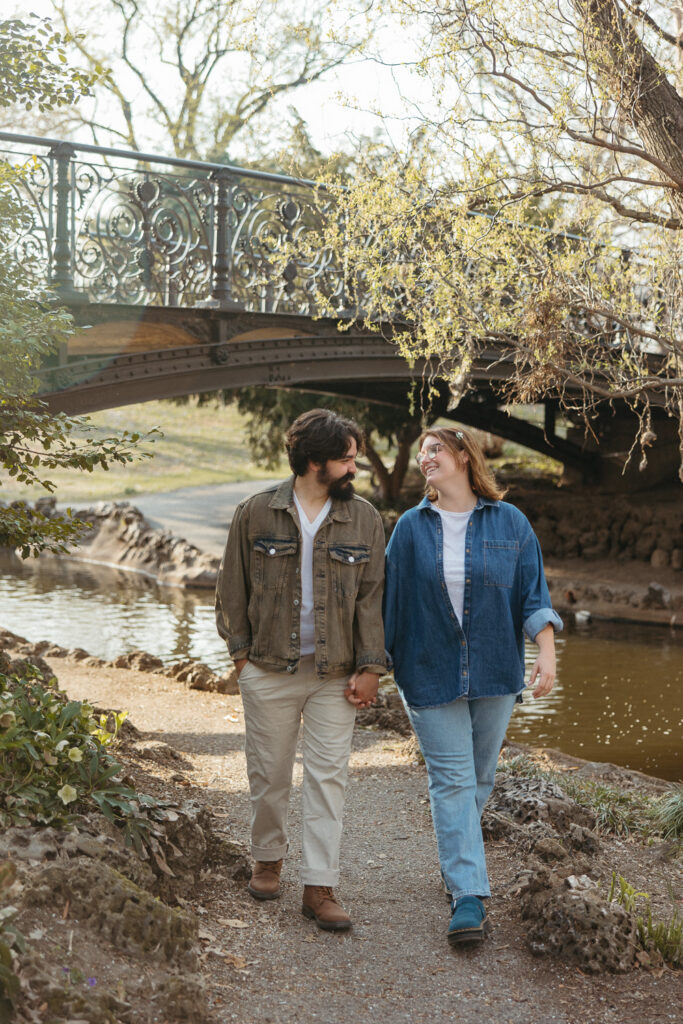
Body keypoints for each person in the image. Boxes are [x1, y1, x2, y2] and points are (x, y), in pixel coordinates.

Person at [383, 426, 562, 946]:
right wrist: (372, 665)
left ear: (464, 456)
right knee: (454, 781)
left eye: (434, 448)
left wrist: (546, 653)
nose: (425, 458)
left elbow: (533, 596)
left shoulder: (511, 523)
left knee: (479, 777)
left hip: (495, 672)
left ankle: (456, 861)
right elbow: (390, 604)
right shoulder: (410, 529)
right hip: (428, 669)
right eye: (421, 452)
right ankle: (468, 896)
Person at [215, 408, 386, 932]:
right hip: (267, 668)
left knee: (328, 777)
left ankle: (319, 886)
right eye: (346, 459)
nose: (355, 467)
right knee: (269, 774)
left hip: (336, 674)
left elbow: (372, 600)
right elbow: (231, 589)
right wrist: (242, 660)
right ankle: (267, 857)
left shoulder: (366, 519)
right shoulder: (255, 513)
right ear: (314, 462)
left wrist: (371, 667)